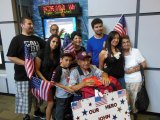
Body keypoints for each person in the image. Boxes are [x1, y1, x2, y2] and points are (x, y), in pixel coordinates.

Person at [7, 17, 46, 120]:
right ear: (22, 25)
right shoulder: (17, 39)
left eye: (32, 24)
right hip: (22, 75)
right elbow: (10, 56)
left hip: (36, 74)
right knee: (24, 97)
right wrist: (26, 63)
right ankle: (26, 116)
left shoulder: (37, 39)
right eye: (29, 23)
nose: (31, 26)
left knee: (37, 96)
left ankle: (37, 111)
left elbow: (47, 48)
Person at [35, 34, 61, 120]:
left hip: (53, 81)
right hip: (43, 82)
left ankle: (50, 117)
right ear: (49, 41)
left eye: (57, 43)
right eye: (53, 41)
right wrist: (45, 81)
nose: (55, 44)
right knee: (51, 102)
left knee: (51, 102)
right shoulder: (41, 52)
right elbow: (37, 70)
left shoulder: (57, 54)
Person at [121, 35, 147, 120]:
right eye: (123, 42)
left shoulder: (135, 51)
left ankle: (134, 115)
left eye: (127, 42)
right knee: (125, 101)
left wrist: (133, 70)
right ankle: (127, 116)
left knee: (134, 102)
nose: (126, 44)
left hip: (136, 81)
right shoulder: (119, 54)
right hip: (124, 81)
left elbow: (144, 64)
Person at [53, 52, 74, 120]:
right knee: (60, 111)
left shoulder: (67, 68)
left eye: (70, 60)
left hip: (67, 94)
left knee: (65, 109)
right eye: (66, 60)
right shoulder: (59, 69)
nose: (68, 62)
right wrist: (66, 88)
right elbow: (55, 82)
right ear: (61, 60)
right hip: (61, 95)